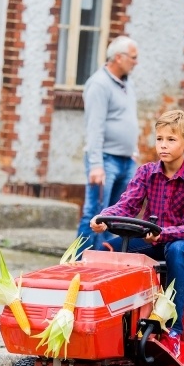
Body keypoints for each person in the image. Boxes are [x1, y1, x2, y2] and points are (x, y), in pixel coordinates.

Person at [90, 110, 184, 357]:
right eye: (159, 139)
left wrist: (162, 233)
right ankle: (108, 320)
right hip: (152, 238)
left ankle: (174, 331)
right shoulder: (146, 173)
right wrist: (103, 218)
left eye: (171, 139)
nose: (163, 145)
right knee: (107, 251)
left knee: (176, 250)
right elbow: (126, 205)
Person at [75, 35, 139, 252]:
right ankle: (78, 264)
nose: (136, 62)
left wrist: (133, 151)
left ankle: (102, 265)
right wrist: (95, 164)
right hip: (105, 160)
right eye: (133, 57)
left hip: (126, 160)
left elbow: (128, 119)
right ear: (118, 58)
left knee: (117, 218)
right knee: (95, 214)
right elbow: (94, 127)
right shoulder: (99, 84)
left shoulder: (127, 84)